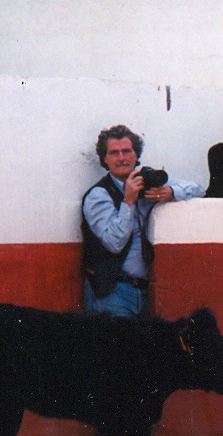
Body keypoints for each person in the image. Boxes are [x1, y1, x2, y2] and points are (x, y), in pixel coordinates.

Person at [81, 124, 204, 317]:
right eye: (114, 153)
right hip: (113, 293)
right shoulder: (98, 196)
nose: (121, 158)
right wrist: (128, 202)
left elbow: (198, 188)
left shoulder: (146, 181)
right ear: (104, 159)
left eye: (127, 151)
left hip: (147, 291)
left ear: (136, 155)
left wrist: (171, 192)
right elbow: (114, 243)